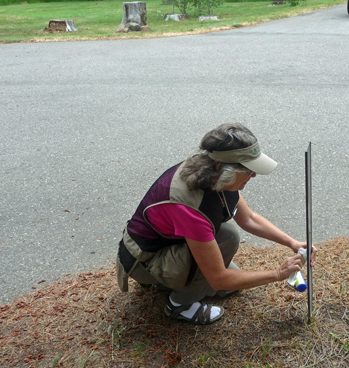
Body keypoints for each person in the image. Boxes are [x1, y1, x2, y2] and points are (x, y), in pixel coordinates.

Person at [116, 123, 316, 325]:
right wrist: (277, 274)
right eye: (248, 170)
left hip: (168, 244)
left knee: (232, 259)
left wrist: (292, 243)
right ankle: (178, 306)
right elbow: (218, 278)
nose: (253, 175)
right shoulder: (191, 207)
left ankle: (174, 282)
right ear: (223, 168)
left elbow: (249, 219)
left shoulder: (215, 174)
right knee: (228, 243)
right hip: (143, 260)